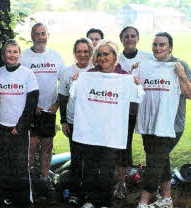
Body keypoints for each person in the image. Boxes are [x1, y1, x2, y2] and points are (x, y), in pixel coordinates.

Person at [72, 39, 142, 208]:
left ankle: (103, 201)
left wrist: (136, 85)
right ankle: (89, 200)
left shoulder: (124, 77)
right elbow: (73, 92)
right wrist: (76, 80)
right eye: (100, 54)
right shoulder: (88, 75)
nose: (103, 57)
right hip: (90, 132)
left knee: (107, 169)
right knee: (89, 167)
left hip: (111, 133)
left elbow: (138, 97)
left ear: (114, 56)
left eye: (106, 54)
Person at [136, 32, 191, 208]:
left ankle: (143, 201)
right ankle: (166, 198)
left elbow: (189, 94)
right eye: (155, 44)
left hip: (172, 125)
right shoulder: (146, 66)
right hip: (149, 124)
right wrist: (135, 73)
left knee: (154, 161)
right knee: (161, 159)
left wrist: (181, 75)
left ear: (170, 47)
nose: (157, 48)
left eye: (162, 45)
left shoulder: (179, 65)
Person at [20, 23, 65, 197]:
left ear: (48, 35)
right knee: (30, 146)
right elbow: (20, 83)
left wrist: (57, 104)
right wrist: (31, 105)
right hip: (31, 110)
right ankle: (29, 177)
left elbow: (64, 83)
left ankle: (45, 177)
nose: (40, 37)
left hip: (49, 110)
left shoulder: (56, 56)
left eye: (43, 33)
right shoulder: (24, 57)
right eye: (37, 34)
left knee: (47, 145)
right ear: (32, 36)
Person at [0, 39, 39, 207]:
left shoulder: (28, 74)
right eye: (9, 51)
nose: (12, 55)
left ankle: (25, 201)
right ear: (3, 54)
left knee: (21, 165)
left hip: (19, 128)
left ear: (19, 54)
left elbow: (32, 102)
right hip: (1, 125)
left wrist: (21, 126)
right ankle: (5, 198)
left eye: (15, 52)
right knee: (3, 165)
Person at [114, 26, 154, 200]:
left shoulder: (147, 57)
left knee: (150, 145)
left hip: (145, 107)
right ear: (121, 38)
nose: (130, 39)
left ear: (138, 38)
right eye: (126, 36)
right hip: (126, 109)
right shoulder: (117, 58)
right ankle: (122, 181)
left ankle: (153, 182)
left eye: (133, 36)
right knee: (124, 143)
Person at [57, 37, 93, 206]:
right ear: (74, 53)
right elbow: (62, 98)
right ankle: (74, 193)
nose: (83, 54)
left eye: (86, 51)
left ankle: (89, 195)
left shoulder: (97, 70)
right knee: (77, 158)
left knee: (91, 159)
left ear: (91, 52)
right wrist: (63, 120)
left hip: (93, 123)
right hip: (73, 121)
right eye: (79, 51)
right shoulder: (67, 72)